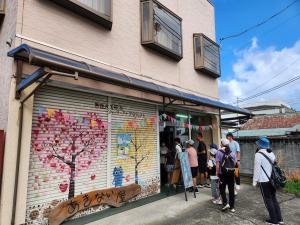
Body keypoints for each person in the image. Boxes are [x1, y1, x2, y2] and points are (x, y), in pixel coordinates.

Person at [253, 137, 283, 225]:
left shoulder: (258, 155)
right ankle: (279, 218)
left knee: (268, 200)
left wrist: (254, 181)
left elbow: (257, 169)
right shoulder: (271, 153)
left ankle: (274, 220)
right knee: (273, 199)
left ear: (259, 145)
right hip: (272, 180)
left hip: (264, 181)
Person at [216, 138, 237, 213]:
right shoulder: (232, 152)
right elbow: (235, 163)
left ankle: (225, 203)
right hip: (231, 173)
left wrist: (217, 173)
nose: (220, 144)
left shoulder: (219, 152)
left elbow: (218, 165)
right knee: (231, 190)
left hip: (222, 173)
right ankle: (232, 207)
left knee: (222, 188)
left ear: (222, 144)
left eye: (221, 143)